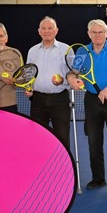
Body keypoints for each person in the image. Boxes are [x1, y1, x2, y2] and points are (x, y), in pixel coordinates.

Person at [66, 19, 107, 196]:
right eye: (94, 32)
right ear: (89, 34)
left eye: (101, 32)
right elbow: (73, 72)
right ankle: (98, 178)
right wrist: (72, 79)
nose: (97, 35)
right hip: (91, 101)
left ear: (106, 33)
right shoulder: (83, 51)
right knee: (93, 142)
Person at [25, 17, 72, 151]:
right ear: (39, 31)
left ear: (56, 31)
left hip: (60, 101)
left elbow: (73, 74)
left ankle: (64, 170)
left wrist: (62, 80)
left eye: (50, 28)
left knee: (62, 139)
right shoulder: (32, 51)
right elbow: (29, 75)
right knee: (38, 138)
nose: (47, 31)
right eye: (44, 28)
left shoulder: (66, 50)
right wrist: (29, 88)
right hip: (37, 101)